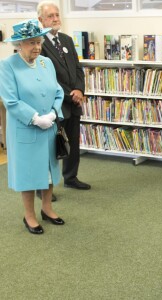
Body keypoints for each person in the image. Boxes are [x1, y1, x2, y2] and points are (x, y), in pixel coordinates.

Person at [0, 19, 65, 234]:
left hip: (49, 128)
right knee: (28, 174)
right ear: (19, 45)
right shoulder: (7, 65)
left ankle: (47, 208)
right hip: (26, 130)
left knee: (48, 170)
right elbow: (10, 101)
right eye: (31, 43)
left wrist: (54, 113)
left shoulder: (46, 63)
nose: (37, 47)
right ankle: (29, 216)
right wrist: (36, 118)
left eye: (38, 42)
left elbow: (58, 92)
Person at [36, 1, 91, 199]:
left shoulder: (66, 40)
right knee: (50, 147)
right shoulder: (38, 44)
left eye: (57, 15)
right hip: (54, 105)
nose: (55, 19)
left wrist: (79, 89)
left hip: (74, 103)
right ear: (41, 20)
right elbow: (47, 77)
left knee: (73, 143)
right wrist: (70, 94)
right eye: (50, 16)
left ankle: (71, 177)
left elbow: (77, 68)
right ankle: (43, 187)